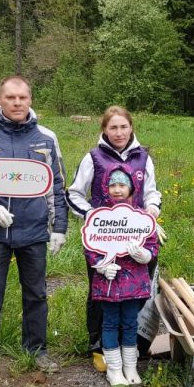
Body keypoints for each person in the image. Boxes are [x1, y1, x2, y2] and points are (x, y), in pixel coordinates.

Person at [0, 75, 68, 381]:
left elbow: (57, 185)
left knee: (36, 295)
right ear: (0, 99)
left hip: (34, 232)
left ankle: (37, 350)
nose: (17, 103)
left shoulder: (47, 138)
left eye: (22, 97)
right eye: (10, 98)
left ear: (30, 99)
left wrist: (58, 227)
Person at [67, 106, 162, 372]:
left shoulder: (143, 158)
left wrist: (153, 208)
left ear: (131, 127)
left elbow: (152, 192)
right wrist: (91, 215)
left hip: (137, 238)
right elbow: (74, 193)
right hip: (103, 241)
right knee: (101, 290)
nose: (119, 133)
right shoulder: (94, 157)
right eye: (113, 128)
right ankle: (99, 346)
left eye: (123, 127)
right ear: (104, 130)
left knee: (137, 290)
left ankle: (131, 346)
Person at [84, 170, 159, 387]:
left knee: (129, 323)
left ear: (131, 189)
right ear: (106, 188)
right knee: (109, 323)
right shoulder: (98, 217)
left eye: (122, 185)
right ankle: (114, 370)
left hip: (133, 283)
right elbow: (90, 247)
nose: (117, 190)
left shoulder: (141, 217)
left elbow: (151, 243)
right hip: (107, 283)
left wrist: (145, 255)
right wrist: (100, 266)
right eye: (112, 185)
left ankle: (130, 366)